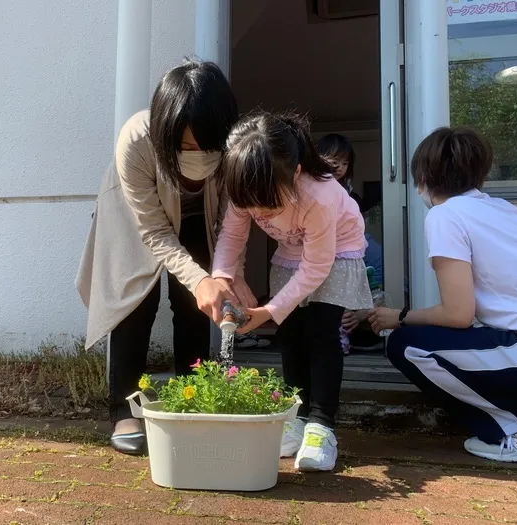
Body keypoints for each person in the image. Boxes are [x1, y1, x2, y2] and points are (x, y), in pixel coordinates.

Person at [75, 60, 255, 456]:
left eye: (209, 149)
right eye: (187, 148)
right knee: (135, 301)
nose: (199, 157)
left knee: (197, 302)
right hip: (135, 216)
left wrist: (228, 274)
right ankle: (124, 407)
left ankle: (189, 396)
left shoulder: (233, 144)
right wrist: (201, 277)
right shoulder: (136, 140)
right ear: (165, 134)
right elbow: (154, 231)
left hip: (197, 212)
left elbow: (232, 219)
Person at [370, 127, 517, 462]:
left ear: (423, 178)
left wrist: (399, 317)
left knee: (407, 345)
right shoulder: (506, 210)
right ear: (480, 173)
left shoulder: (446, 215)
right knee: (474, 338)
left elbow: (458, 314)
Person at [209, 112, 372, 471]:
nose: (258, 211)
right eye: (250, 204)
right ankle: (297, 417)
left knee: (322, 333)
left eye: (268, 203)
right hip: (292, 251)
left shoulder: (320, 195)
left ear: (296, 172)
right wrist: (225, 278)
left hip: (337, 251)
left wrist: (267, 311)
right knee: (292, 334)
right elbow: (233, 236)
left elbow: (317, 265)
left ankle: (322, 425)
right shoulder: (246, 186)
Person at [317, 133, 384, 352]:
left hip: (349, 253)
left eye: (345, 163)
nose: (339, 167)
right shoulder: (311, 191)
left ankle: (349, 336)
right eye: (334, 160)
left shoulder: (351, 196)